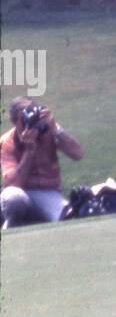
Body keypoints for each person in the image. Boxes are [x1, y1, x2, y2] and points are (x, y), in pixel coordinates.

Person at [0, 98, 84, 230]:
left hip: (48, 193)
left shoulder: (49, 130)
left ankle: (32, 222)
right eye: (25, 119)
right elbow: (13, 184)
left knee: (67, 217)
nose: (31, 123)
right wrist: (29, 152)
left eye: (34, 116)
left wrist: (56, 129)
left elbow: (78, 154)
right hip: (21, 191)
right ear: (14, 122)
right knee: (14, 200)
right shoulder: (6, 143)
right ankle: (11, 227)